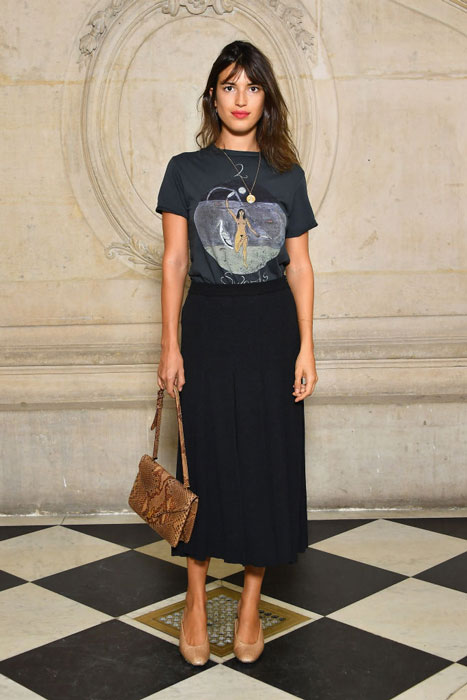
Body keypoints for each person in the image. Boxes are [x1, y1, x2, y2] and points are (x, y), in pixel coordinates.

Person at [156, 40, 318, 665]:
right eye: (229, 86)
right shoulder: (184, 170)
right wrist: (170, 346)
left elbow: (300, 266)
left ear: (266, 99)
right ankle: (195, 600)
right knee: (205, 463)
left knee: (266, 461)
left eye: (252, 87)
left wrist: (307, 346)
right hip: (207, 327)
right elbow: (175, 262)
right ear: (213, 96)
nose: (241, 98)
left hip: (271, 329)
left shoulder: (287, 176)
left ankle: (251, 603)